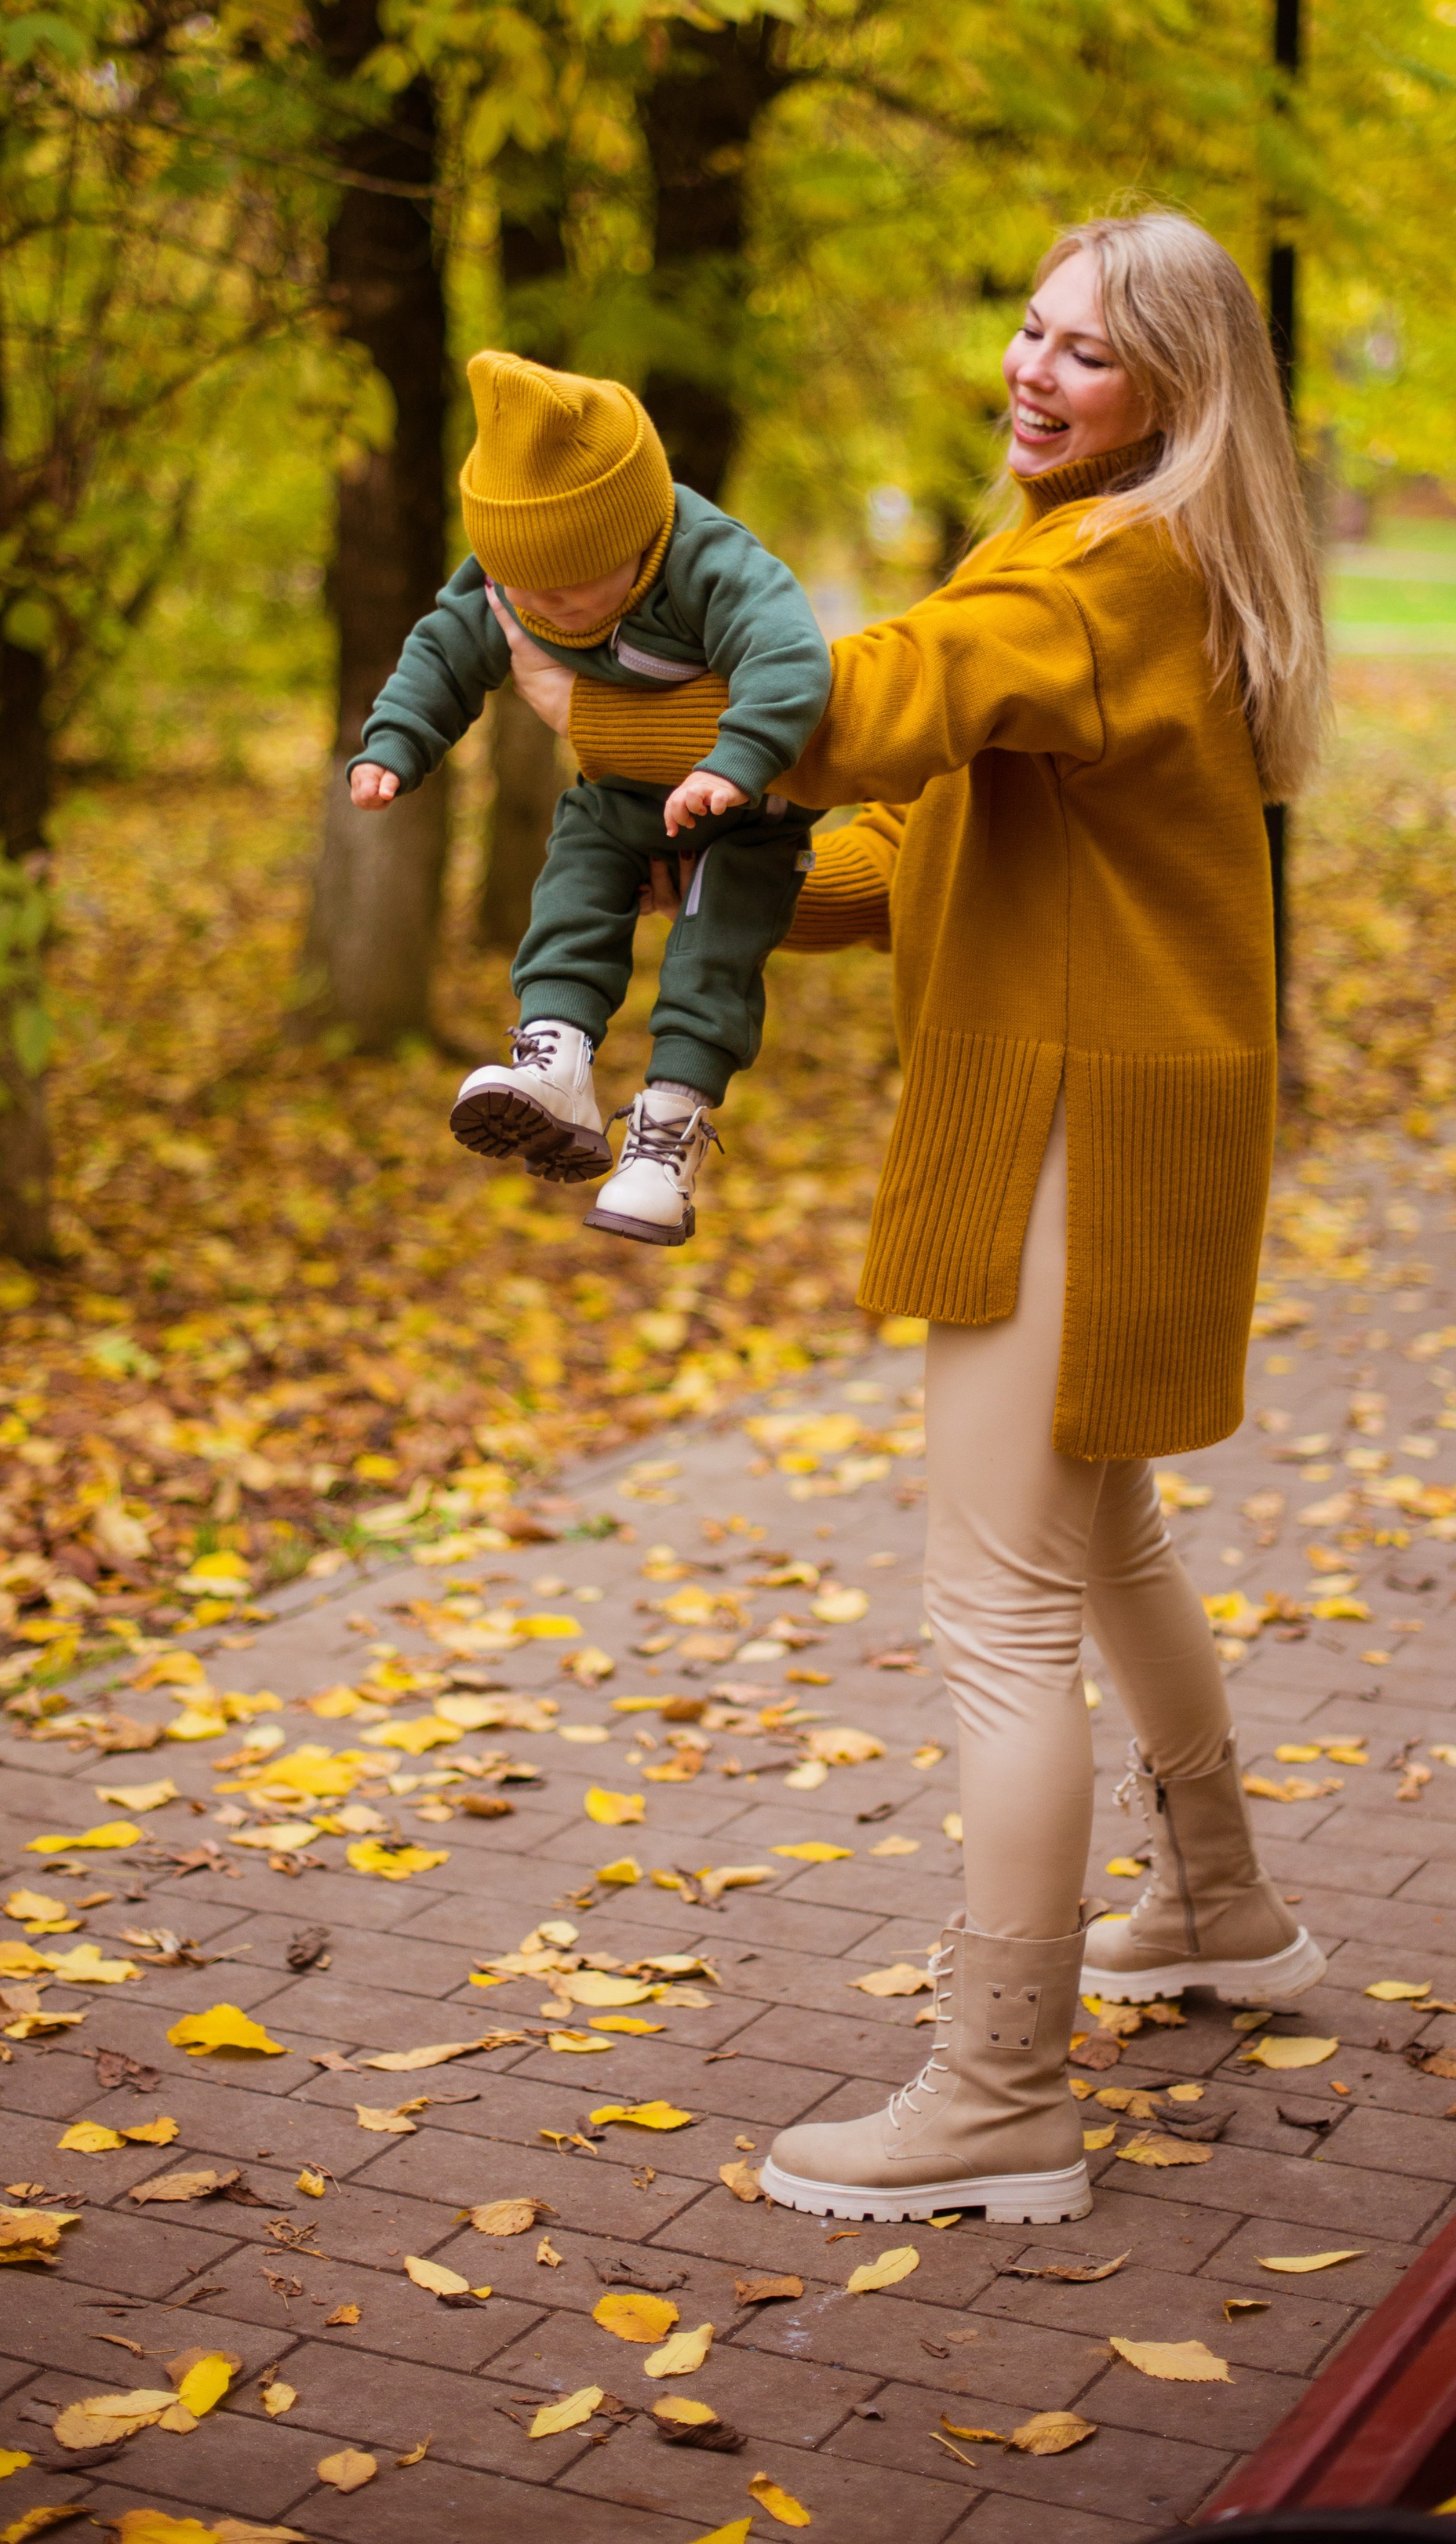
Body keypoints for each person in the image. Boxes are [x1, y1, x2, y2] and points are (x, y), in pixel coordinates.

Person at [490, 209, 1332, 2224]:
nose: (1033, 370)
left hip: (1072, 1121)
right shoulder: (1117, 560)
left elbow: (856, 705)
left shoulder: (1097, 566)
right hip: (1128, 1106)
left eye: (1088, 351)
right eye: (1029, 329)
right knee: (1101, 1536)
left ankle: (997, 2092)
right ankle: (1217, 1902)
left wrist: (587, 705)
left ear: (1176, 393)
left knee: (996, 1609)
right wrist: (723, 866)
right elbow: (911, 836)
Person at [349, 350, 828, 1246]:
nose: (544, 603)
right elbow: (444, 648)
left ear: (635, 533)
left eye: (570, 582)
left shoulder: (706, 556)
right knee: (575, 861)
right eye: (523, 584)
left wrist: (736, 761)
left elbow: (790, 653)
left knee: (714, 949)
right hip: (629, 797)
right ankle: (556, 1054)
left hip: (749, 808)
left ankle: (669, 1132)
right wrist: (395, 743)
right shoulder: (512, 582)